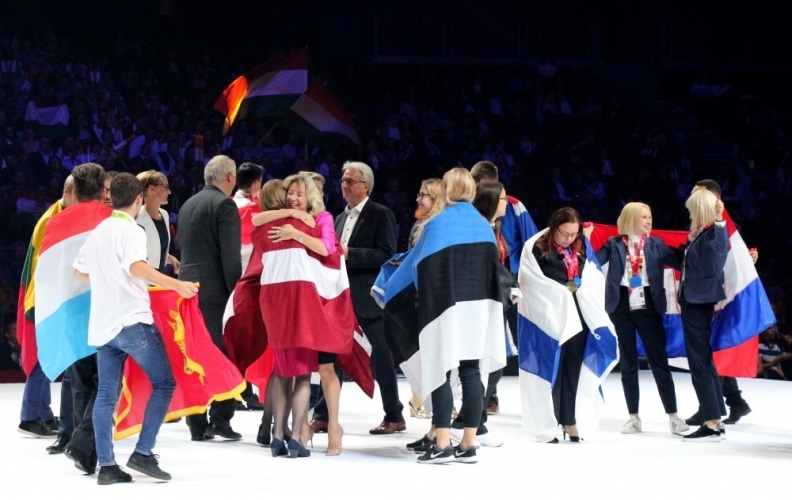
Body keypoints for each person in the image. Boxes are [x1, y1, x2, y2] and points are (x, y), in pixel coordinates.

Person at [374, 167, 506, 464]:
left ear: (446, 190)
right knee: (472, 372)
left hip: (444, 308)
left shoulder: (438, 224)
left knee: (440, 370)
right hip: (480, 308)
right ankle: (468, 445)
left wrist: (387, 290)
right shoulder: (484, 226)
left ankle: (443, 442)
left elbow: (416, 269)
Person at [73, 172, 198, 485]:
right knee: (165, 383)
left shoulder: (99, 230)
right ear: (139, 198)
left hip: (103, 325)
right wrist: (176, 284)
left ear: (111, 197)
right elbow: (136, 267)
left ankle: (107, 466)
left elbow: (79, 272)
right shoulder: (132, 229)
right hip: (131, 320)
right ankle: (142, 452)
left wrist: (106, 284)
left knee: (105, 395)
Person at [311, 161, 405, 436]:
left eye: (351, 181)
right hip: (339, 294)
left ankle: (394, 414)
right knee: (332, 353)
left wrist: (350, 253)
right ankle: (323, 414)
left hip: (366, 295)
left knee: (381, 356)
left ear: (366, 186)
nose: (344, 185)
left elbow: (386, 254)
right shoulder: (338, 218)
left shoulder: (380, 214)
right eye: (343, 180)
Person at [585, 202, 688, 435]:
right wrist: (586, 238)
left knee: (659, 361)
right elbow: (591, 262)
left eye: (650, 217)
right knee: (629, 362)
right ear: (631, 219)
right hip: (620, 305)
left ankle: (673, 416)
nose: (649, 221)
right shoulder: (613, 244)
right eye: (644, 217)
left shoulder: (656, 244)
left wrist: (698, 245)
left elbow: (681, 261)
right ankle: (633, 417)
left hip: (649, 304)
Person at [518, 207, 618, 443]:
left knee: (572, 369)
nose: (569, 239)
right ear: (554, 227)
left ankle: (570, 420)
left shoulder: (581, 246)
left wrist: (580, 291)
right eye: (565, 234)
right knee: (551, 369)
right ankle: (547, 422)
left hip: (579, 316)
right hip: (550, 320)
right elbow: (531, 282)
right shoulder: (536, 247)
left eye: (574, 234)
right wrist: (560, 294)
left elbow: (593, 275)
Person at [178, 155, 243, 441]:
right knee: (224, 353)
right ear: (229, 177)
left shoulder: (188, 204)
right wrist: (236, 293)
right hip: (216, 291)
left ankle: (195, 421)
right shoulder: (224, 205)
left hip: (187, 289)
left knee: (195, 354)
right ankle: (220, 417)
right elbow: (230, 256)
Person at [470, 160, 538, 414]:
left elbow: (532, 241)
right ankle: (487, 397)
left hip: (510, 281)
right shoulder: (469, 209)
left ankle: (529, 393)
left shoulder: (513, 205)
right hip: (482, 284)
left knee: (510, 340)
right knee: (488, 340)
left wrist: (526, 277)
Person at [685, 179, 753, 426]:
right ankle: (724, 405)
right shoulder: (699, 228)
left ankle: (716, 410)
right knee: (710, 352)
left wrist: (750, 258)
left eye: (696, 196)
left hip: (719, 296)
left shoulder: (723, 228)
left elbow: (732, 257)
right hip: (710, 295)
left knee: (710, 354)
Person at [16, 176, 77, 445]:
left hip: (51, 296)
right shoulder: (52, 220)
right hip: (44, 297)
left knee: (50, 356)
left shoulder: (60, 214)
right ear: (68, 191)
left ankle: (43, 412)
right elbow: (46, 264)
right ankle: (29, 417)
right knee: (44, 357)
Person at [679, 189, 728, 442]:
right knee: (703, 361)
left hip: (698, 303)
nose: (689, 214)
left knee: (699, 363)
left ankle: (711, 421)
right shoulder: (699, 235)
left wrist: (719, 220)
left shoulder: (713, 233)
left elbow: (720, 252)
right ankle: (716, 416)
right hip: (693, 301)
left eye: (692, 209)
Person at [135, 171, 179, 274]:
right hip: (144, 279)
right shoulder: (137, 217)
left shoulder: (164, 214)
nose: (169, 192)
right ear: (152, 189)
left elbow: (155, 250)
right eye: (165, 187)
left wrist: (170, 259)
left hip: (159, 276)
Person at [233, 162, 264, 274]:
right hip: (249, 264)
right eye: (260, 181)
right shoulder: (256, 209)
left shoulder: (228, 202)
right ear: (256, 183)